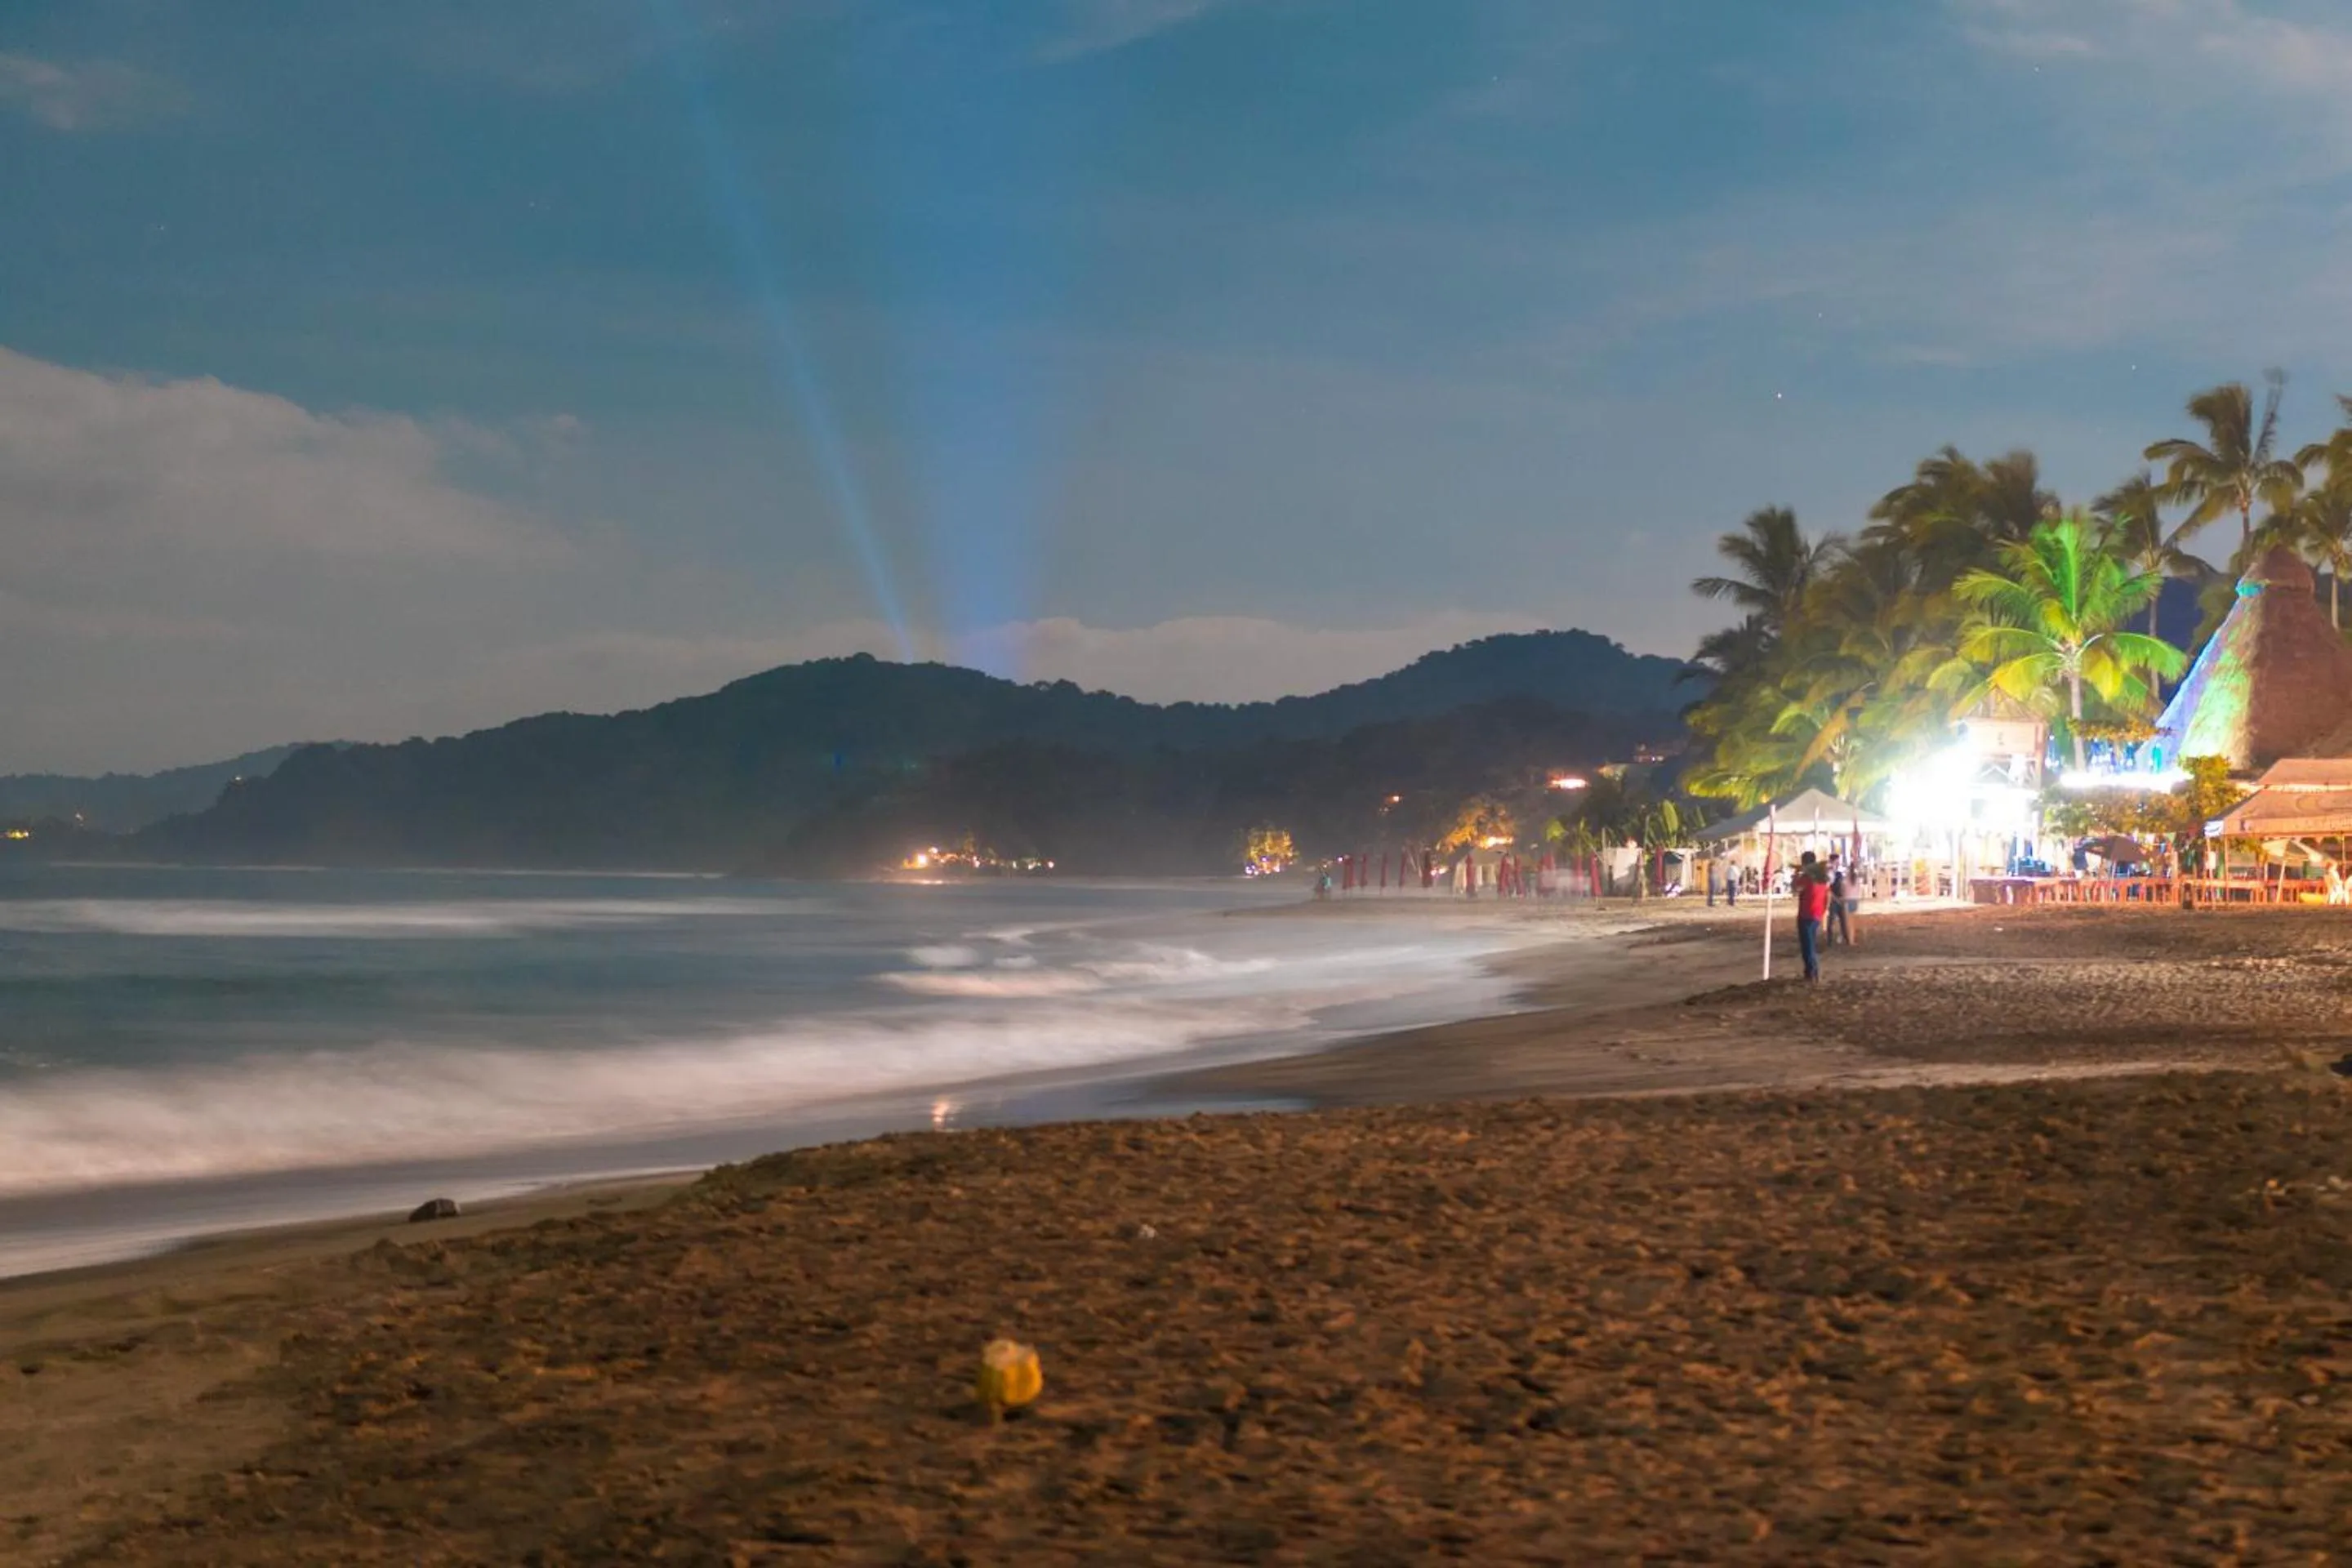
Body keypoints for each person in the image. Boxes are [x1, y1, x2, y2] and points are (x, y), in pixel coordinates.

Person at [1793, 850, 1830, 982]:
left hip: (1806, 914)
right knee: (1810, 943)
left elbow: (1796, 889)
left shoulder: (1806, 878)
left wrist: (1796, 876)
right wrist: (1824, 911)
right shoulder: (1822, 878)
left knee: (1807, 946)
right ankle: (1811, 971)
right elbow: (1828, 895)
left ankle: (1812, 972)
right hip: (1817, 913)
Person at [1826, 857, 1852, 947]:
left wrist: (1844, 897)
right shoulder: (1829, 874)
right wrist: (1836, 899)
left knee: (1843, 921)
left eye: (1838, 862)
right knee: (1832, 921)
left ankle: (1847, 939)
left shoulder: (1839, 874)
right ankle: (1830, 941)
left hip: (1840, 899)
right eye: (1836, 862)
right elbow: (1828, 889)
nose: (1838, 863)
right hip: (1834, 900)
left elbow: (1842, 886)